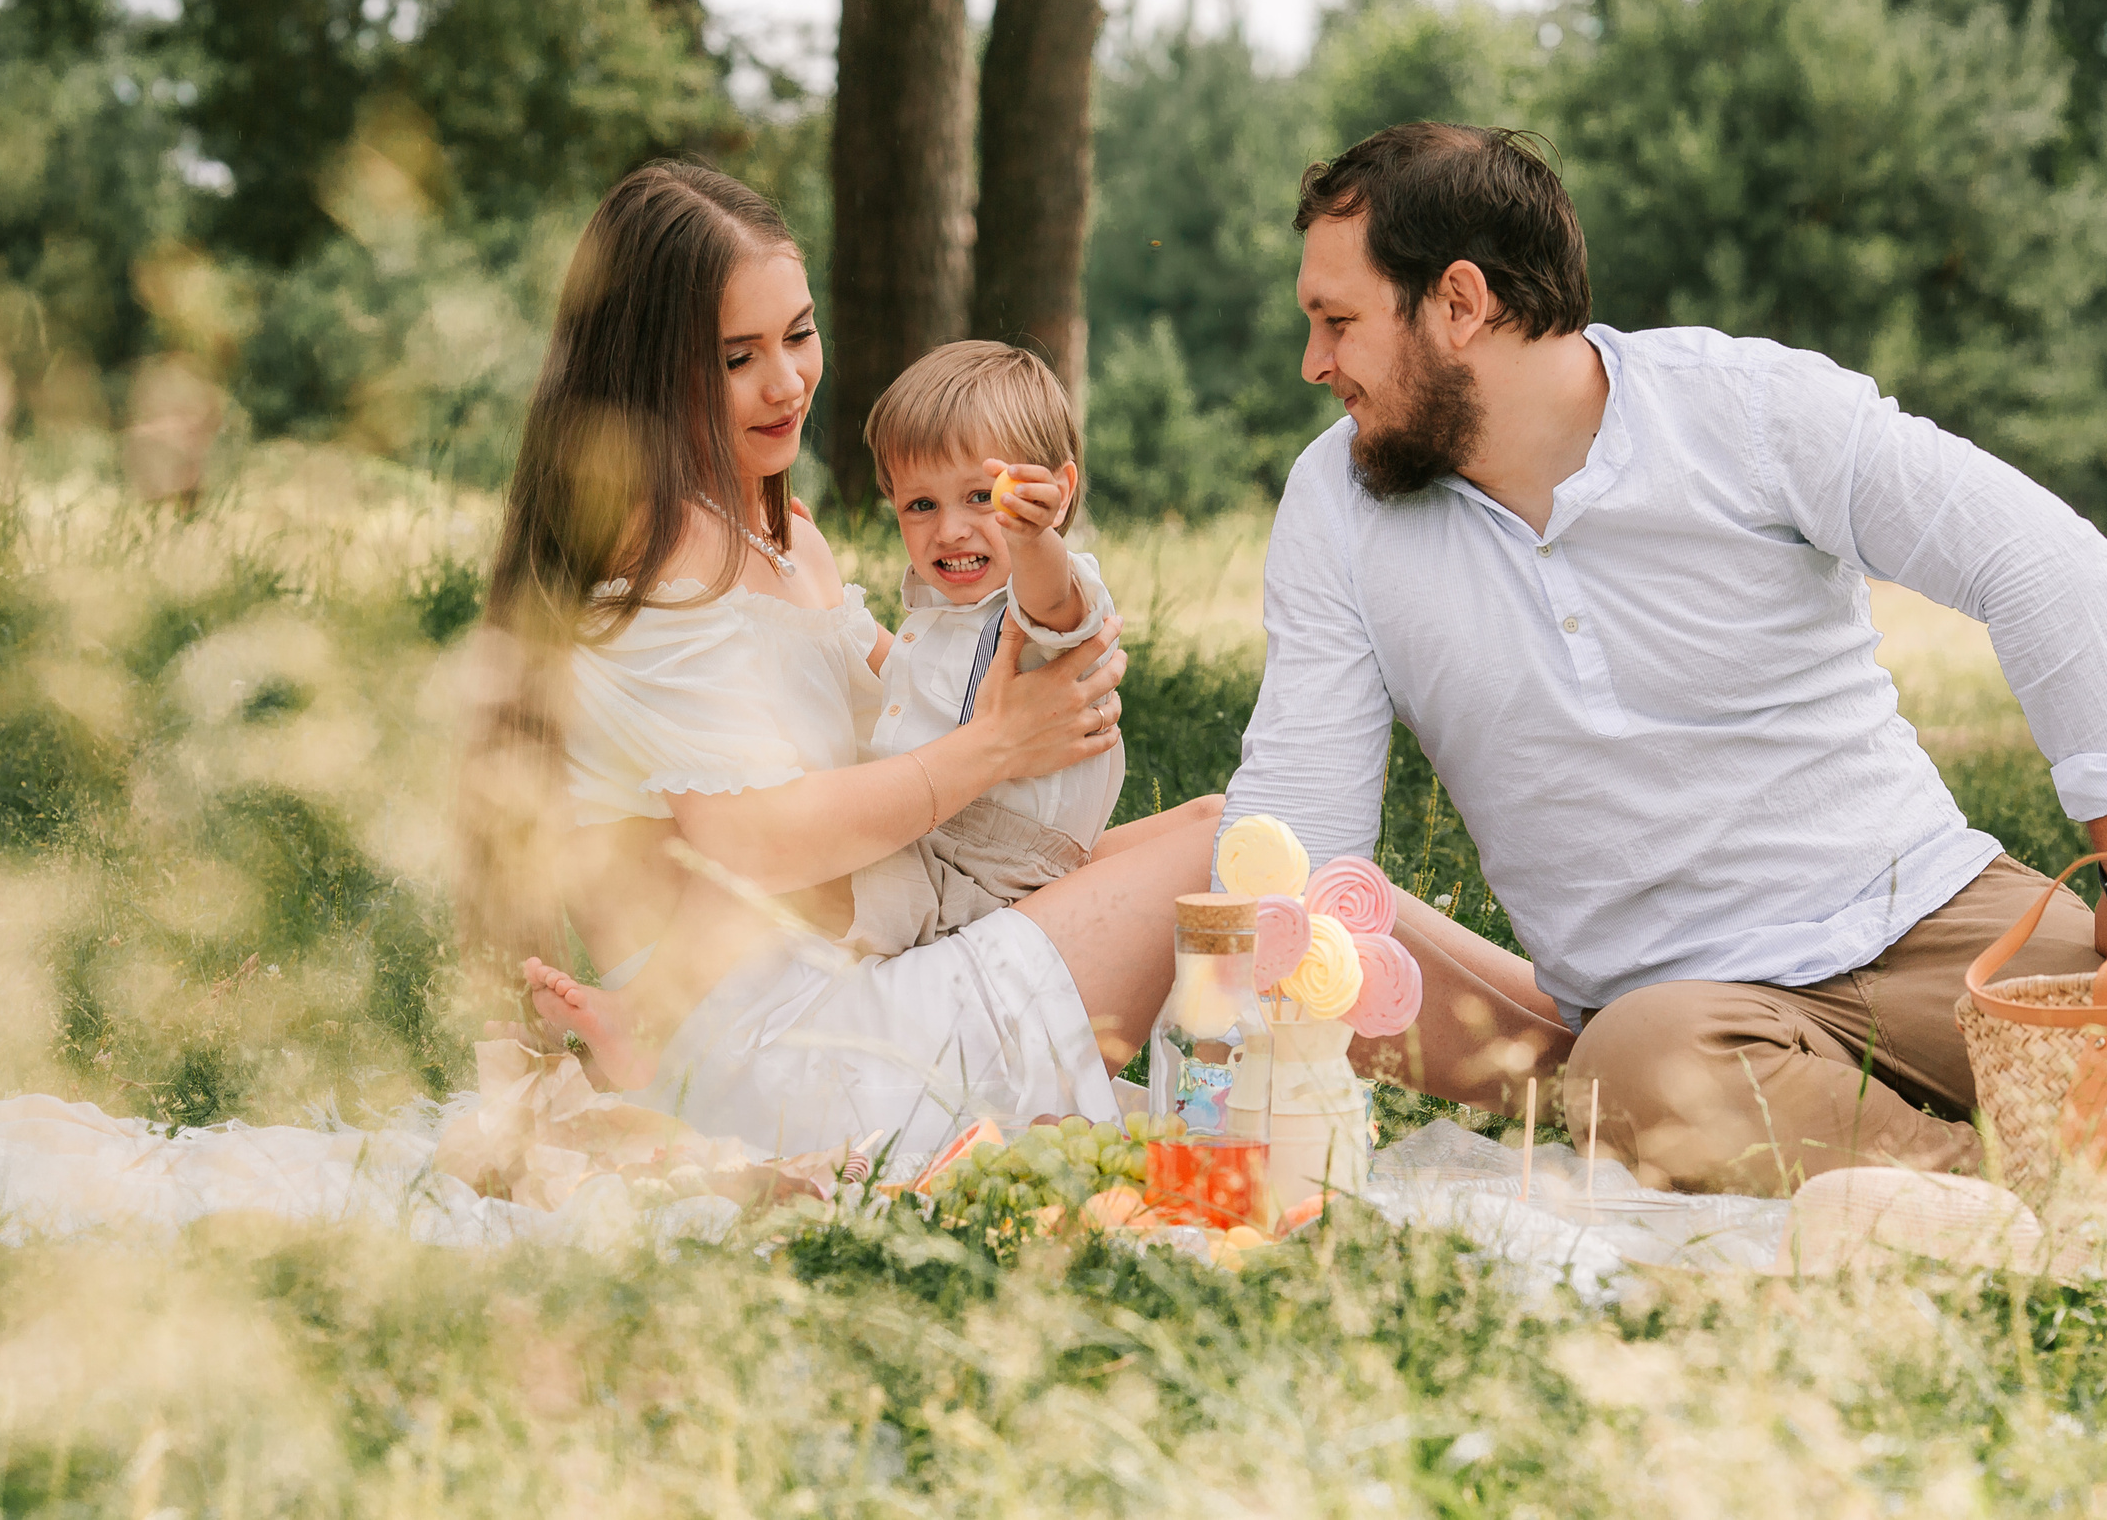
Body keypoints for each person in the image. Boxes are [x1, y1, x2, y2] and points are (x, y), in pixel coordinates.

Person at [1221, 121, 2107, 1193]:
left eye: (1337, 321)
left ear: (1458, 303)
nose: (1314, 363)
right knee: (1633, 1082)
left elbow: (2038, 558)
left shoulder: (1744, 407)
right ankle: (2023, 1194)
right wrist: (1243, 1076)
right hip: (1684, 1018)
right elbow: (1296, 821)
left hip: (1930, 920)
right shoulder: (1336, 506)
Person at [465, 163, 1220, 1157]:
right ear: (652, 372)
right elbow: (754, 845)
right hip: (776, 1042)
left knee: (1234, 832)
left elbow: (923, 699)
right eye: (738, 356)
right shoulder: (661, 553)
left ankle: (1496, 1030)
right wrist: (997, 747)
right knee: (1223, 861)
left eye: (798, 333)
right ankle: (1488, 1056)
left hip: (868, 949)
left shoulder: (792, 545)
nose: (786, 382)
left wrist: (1025, 678)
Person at [841, 339, 1218, 956]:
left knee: (820, 893)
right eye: (921, 504)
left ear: (1056, 492)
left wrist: (1035, 537)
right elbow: (920, 688)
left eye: (983, 497)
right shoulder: (946, 611)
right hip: (944, 839)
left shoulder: (1042, 599)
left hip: (990, 868)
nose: (951, 528)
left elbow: (1053, 600)